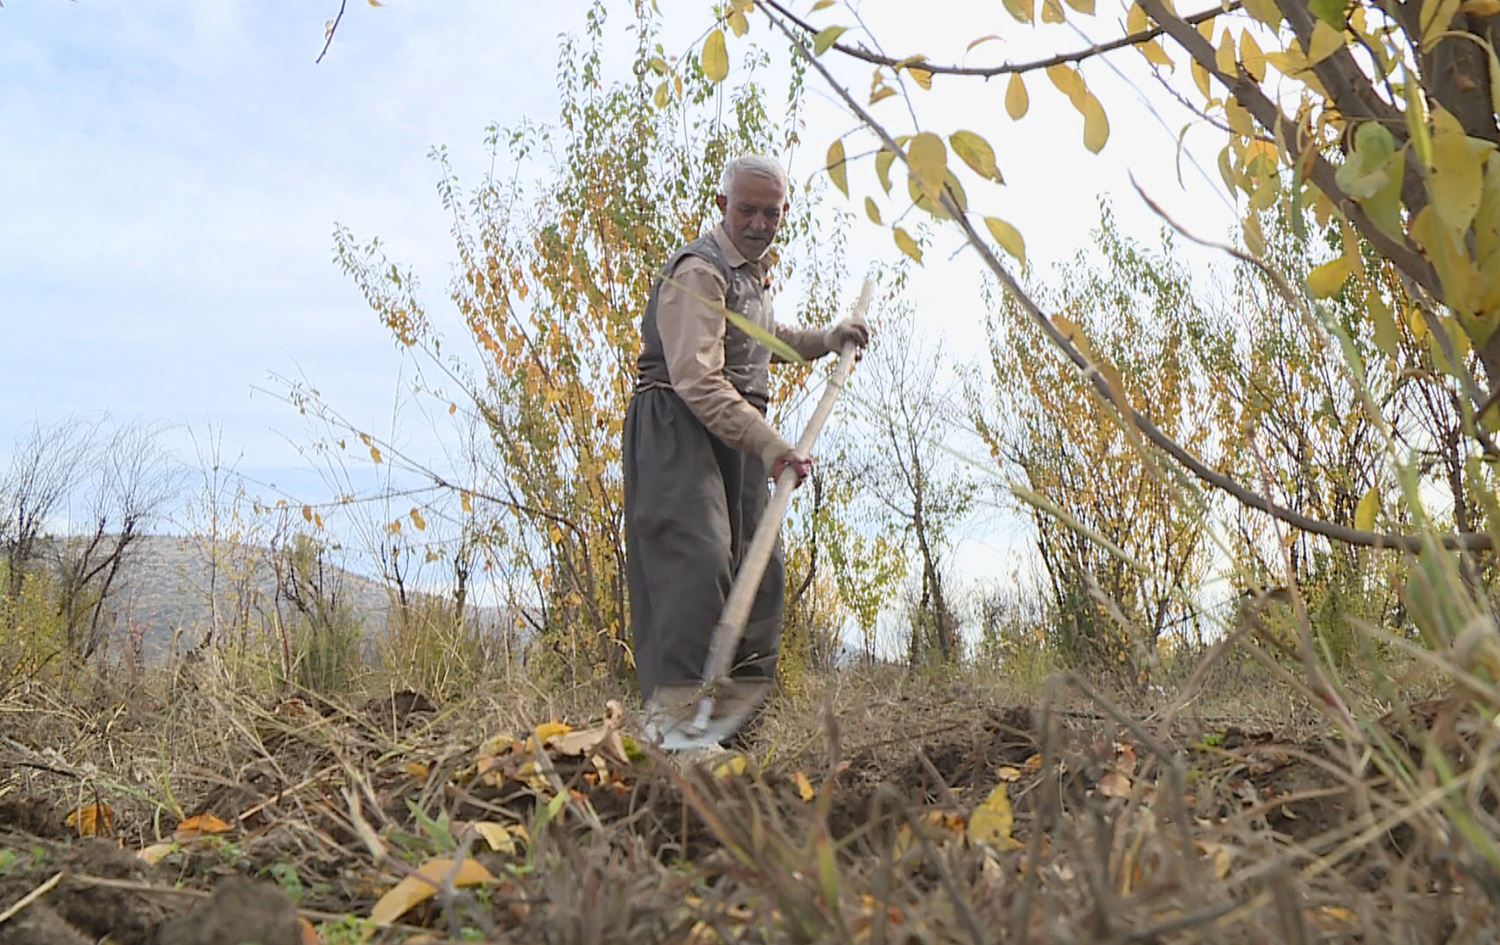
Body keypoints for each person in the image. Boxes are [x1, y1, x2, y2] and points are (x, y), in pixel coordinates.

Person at [623, 154, 870, 709]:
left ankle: (736, 734)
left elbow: (762, 336)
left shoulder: (750, 276)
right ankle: (678, 723)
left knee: (762, 573)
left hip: (735, 433)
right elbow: (697, 378)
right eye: (748, 211)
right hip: (678, 424)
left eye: (772, 213)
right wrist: (771, 446)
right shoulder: (698, 270)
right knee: (698, 563)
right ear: (722, 207)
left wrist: (825, 339)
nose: (759, 223)